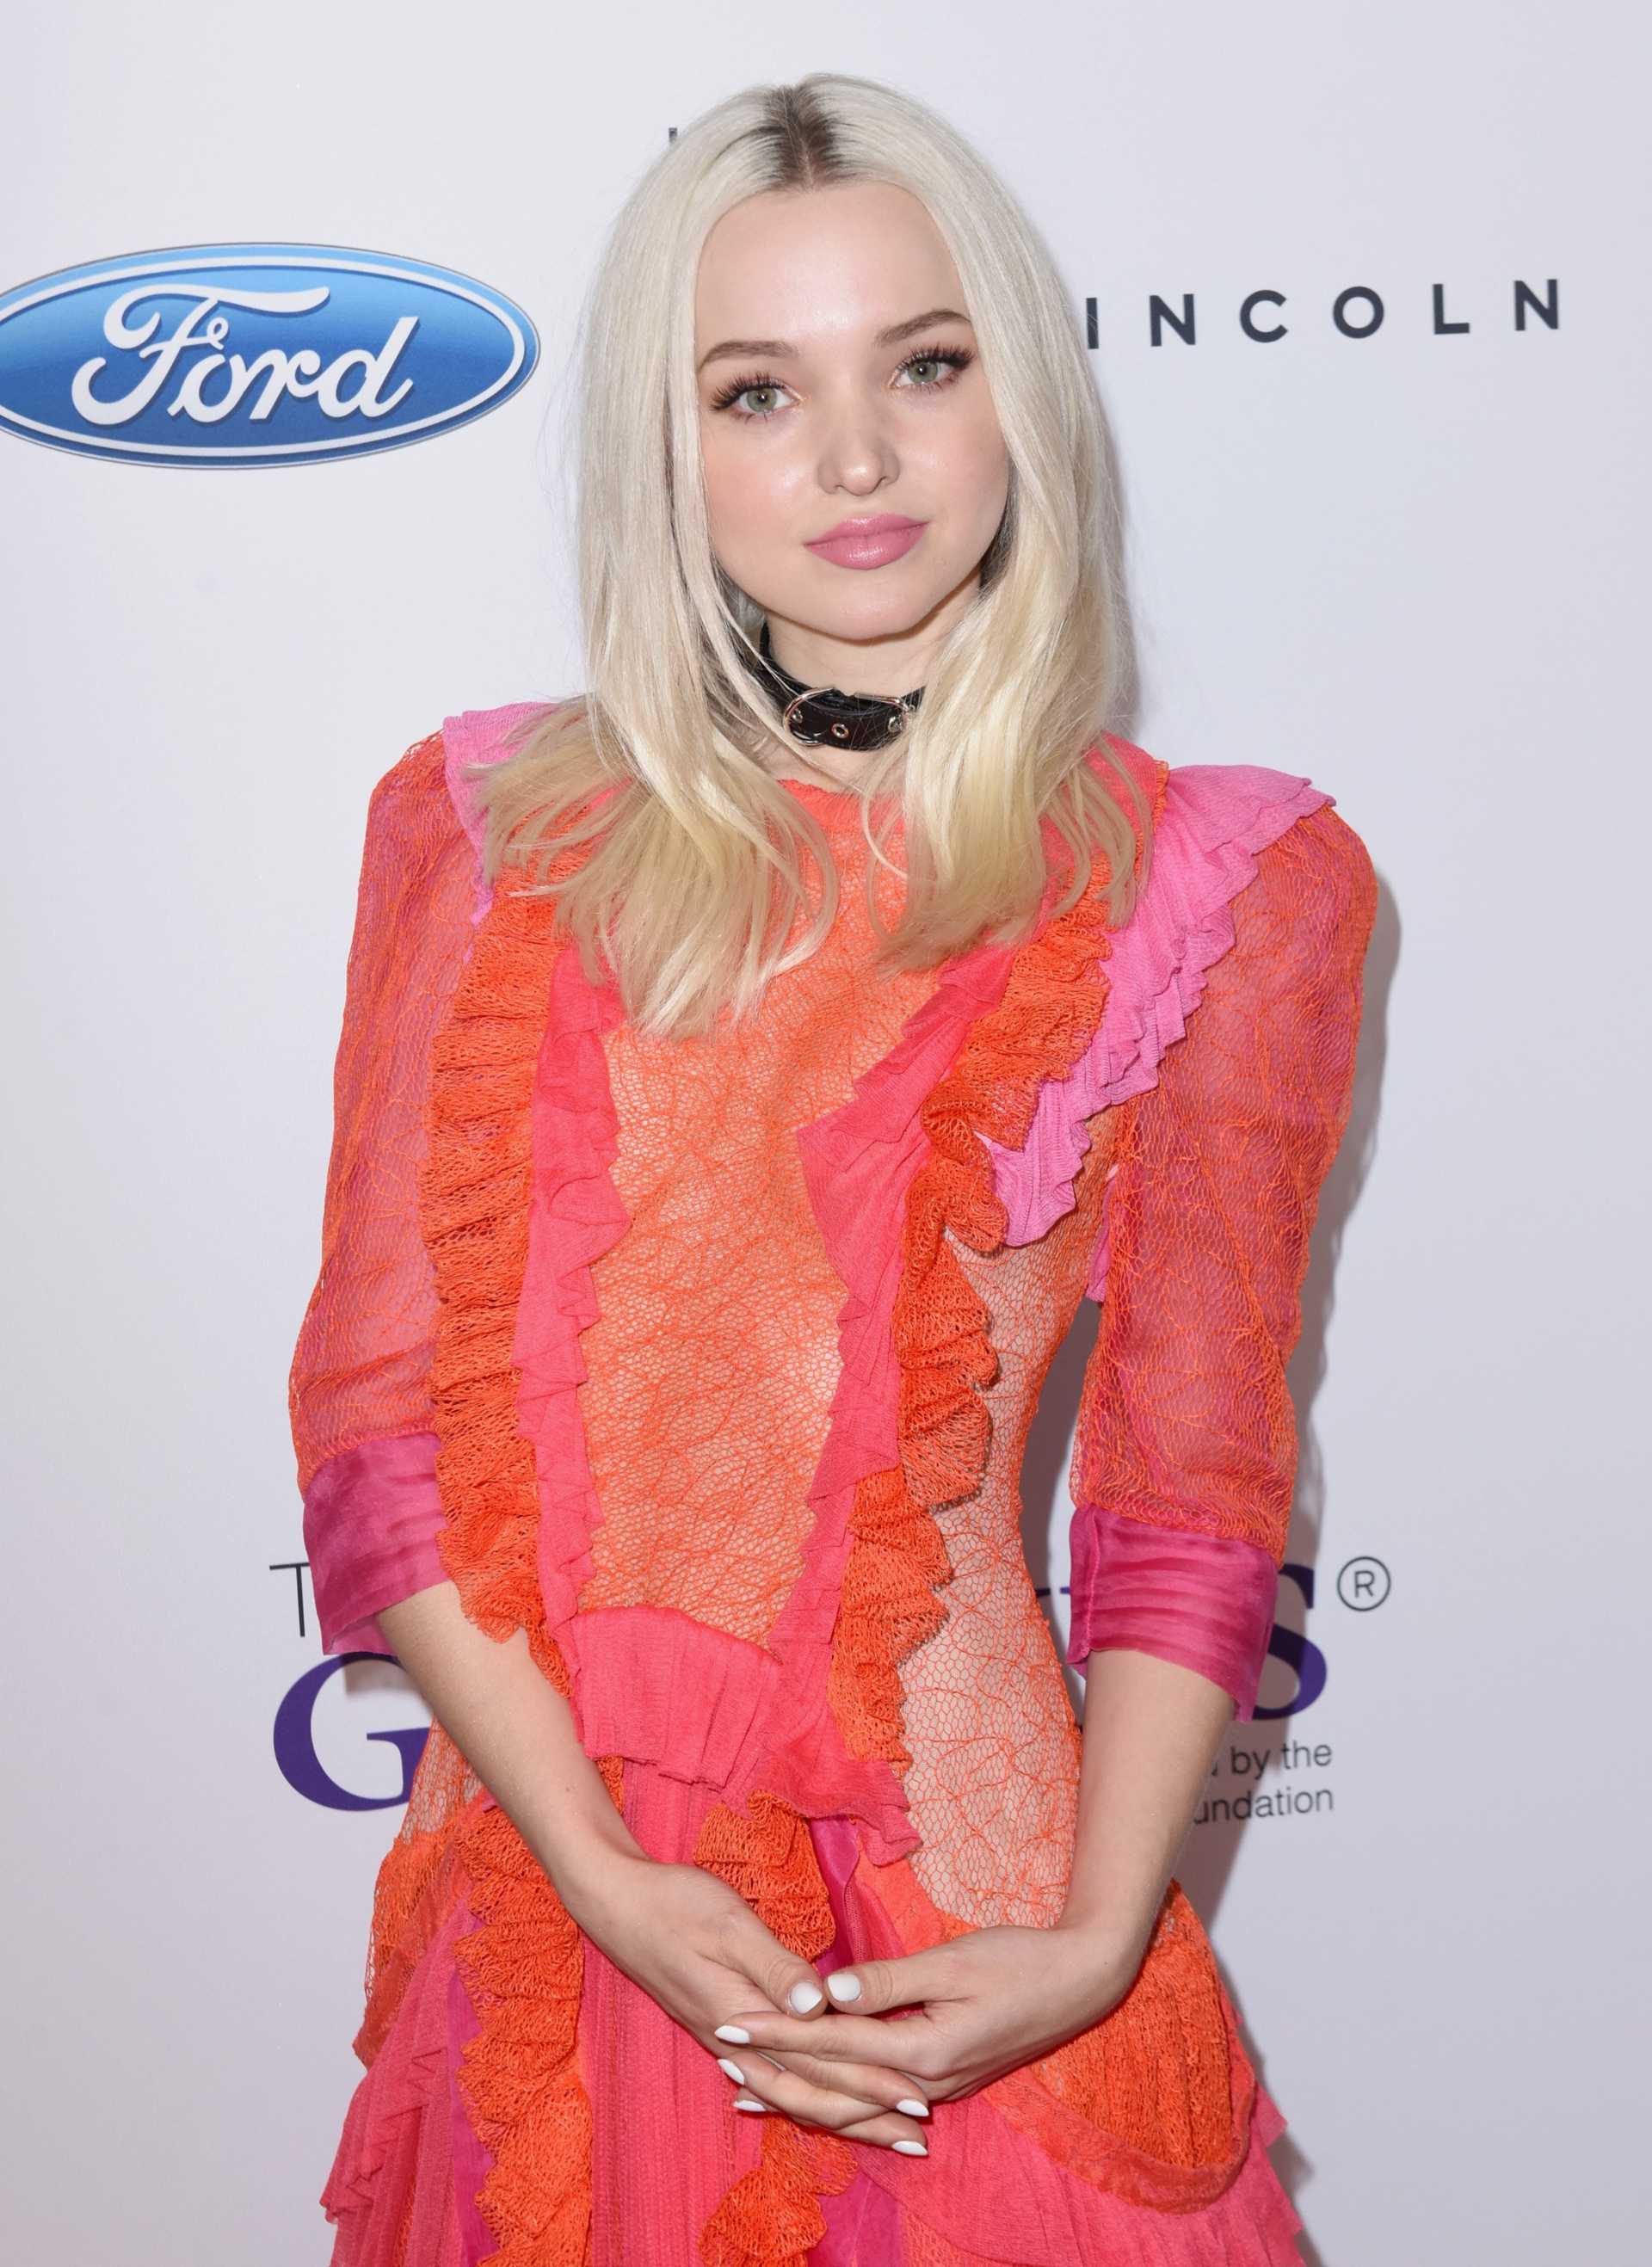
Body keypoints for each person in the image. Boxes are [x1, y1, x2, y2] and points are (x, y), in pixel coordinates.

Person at [288, 70, 1378, 2267]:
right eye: (758, 392)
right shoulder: (484, 831)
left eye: (926, 365)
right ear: (666, 450)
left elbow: (1191, 1473)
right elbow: (381, 1425)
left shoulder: (1221, 885)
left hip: (973, 1936)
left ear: (1021, 394)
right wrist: (604, 1873)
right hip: (561, 1902)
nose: (858, 459)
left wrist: (1094, 1938)